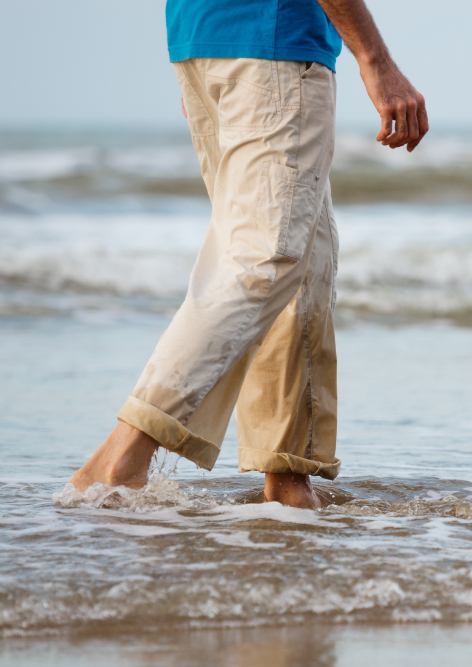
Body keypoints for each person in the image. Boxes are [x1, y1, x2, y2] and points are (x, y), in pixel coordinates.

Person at [69, 0, 428, 508]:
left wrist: (201, 62)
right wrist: (376, 60)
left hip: (209, 41)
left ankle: (287, 483)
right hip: (272, 40)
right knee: (268, 259)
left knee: (305, 262)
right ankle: (124, 455)